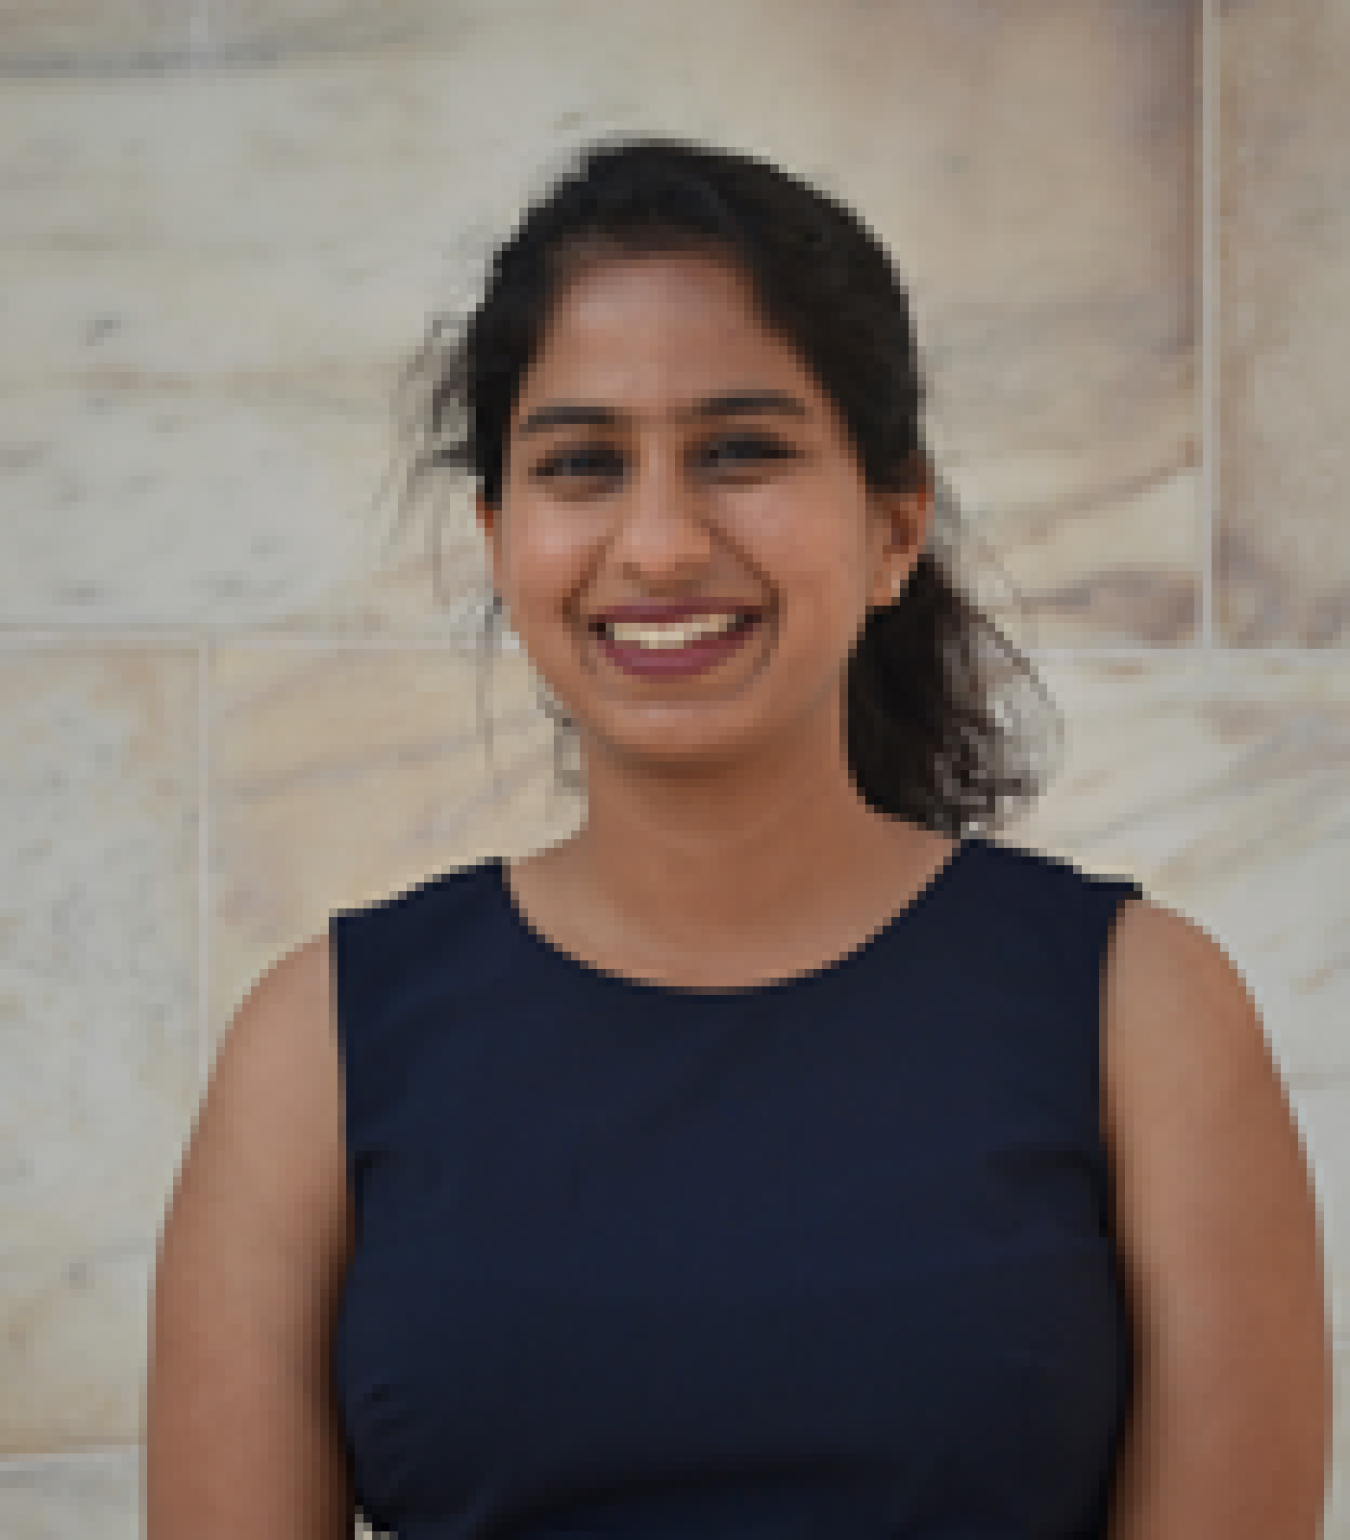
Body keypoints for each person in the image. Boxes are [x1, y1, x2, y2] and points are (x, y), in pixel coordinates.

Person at [146, 136, 1331, 1537]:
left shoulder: (1143, 1014)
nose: (656, 544)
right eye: (581, 462)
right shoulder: (318, 1051)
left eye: (741, 452)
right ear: (496, 536)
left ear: (895, 527)